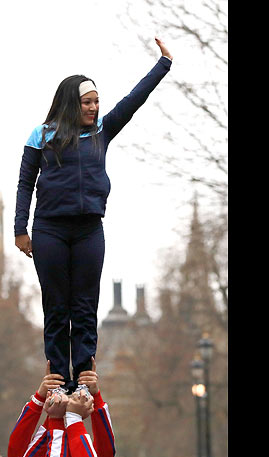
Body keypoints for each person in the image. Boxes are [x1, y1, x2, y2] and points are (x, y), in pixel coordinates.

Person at [14, 37, 174, 394]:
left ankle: (83, 376)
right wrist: (19, 229)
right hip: (50, 230)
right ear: (72, 103)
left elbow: (134, 101)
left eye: (97, 101)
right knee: (57, 306)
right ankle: (58, 379)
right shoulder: (42, 136)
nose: (94, 107)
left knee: (85, 305)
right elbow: (26, 183)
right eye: (88, 102)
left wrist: (162, 65)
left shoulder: (102, 131)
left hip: (89, 230)